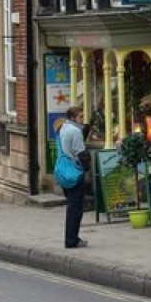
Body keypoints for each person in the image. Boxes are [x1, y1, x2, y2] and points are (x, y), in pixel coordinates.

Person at [58, 106, 90, 249]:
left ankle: (71, 238)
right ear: (73, 118)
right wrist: (87, 170)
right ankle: (72, 239)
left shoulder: (62, 128)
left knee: (71, 206)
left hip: (64, 172)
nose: (83, 119)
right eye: (81, 117)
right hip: (75, 171)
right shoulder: (75, 131)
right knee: (76, 208)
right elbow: (81, 153)